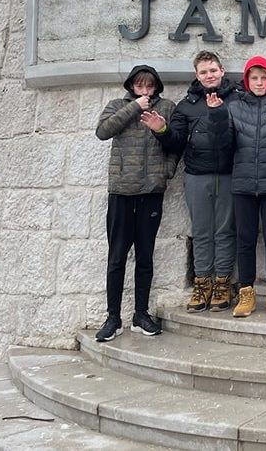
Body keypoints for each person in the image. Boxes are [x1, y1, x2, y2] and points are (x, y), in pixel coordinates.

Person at [142, 51, 237, 313]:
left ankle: (222, 283)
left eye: (213, 70)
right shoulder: (187, 105)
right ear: (197, 75)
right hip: (197, 175)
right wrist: (162, 130)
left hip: (229, 175)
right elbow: (176, 142)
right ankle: (203, 282)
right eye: (204, 72)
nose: (209, 75)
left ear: (222, 70)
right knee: (203, 231)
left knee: (225, 231)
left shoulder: (238, 99)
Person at [210, 56, 266, 318]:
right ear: (247, 80)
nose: (259, 82)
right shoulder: (235, 107)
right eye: (254, 78)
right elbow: (224, 145)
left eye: (263, 77)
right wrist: (217, 117)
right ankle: (246, 292)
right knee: (245, 240)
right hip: (244, 185)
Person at [95, 65, 178, 342]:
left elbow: (175, 145)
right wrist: (134, 108)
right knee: (117, 257)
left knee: (145, 256)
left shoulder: (166, 107)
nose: (145, 91)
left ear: (156, 87)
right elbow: (103, 131)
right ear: (132, 86)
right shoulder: (118, 105)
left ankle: (141, 315)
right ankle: (113, 317)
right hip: (121, 190)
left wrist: (166, 172)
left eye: (150, 86)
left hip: (151, 191)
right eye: (140, 86)